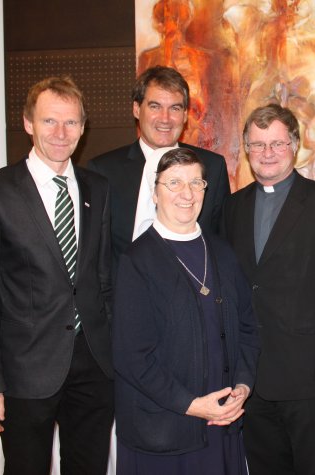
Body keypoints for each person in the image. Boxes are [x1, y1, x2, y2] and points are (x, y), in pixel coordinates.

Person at [0, 77, 114, 474]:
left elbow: (102, 280)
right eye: (50, 121)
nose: (61, 133)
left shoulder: (98, 188)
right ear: (28, 123)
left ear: (83, 127)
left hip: (94, 366)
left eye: (71, 122)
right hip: (24, 372)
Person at [221, 104, 315, 474]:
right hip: (250, 376)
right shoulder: (232, 207)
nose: (267, 153)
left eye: (277, 144)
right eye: (258, 144)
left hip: (307, 375)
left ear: (294, 146)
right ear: (246, 149)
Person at [112, 148, 259, 474]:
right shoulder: (136, 261)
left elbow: (248, 327)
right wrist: (193, 406)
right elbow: (132, 358)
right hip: (165, 431)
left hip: (222, 421)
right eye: (174, 183)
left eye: (196, 183)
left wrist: (243, 385)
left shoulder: (223, 252)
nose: (187, 193)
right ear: (155, 193)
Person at [88, 65, 230, 275]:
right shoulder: (104, 171)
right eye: (155, 106)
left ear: (185, 115)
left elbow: (221, 244)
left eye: (175, 108)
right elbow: (96, 254)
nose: (165, 118)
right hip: (127, 290)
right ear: (137, 109)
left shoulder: (212, 167)